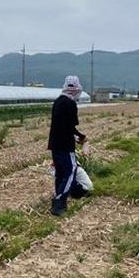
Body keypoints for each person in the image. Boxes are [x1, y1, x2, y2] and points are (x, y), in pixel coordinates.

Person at [48, 75, 87, 216]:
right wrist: (82, 138)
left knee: (60, 173)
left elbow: (59, 126)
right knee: (71, 171)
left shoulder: (58, 102)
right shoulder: (70, 104)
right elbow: (70, 128)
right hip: (65, 145)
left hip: (54, 144)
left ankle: (59, 197)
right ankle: (60, 202)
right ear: (76, 89)